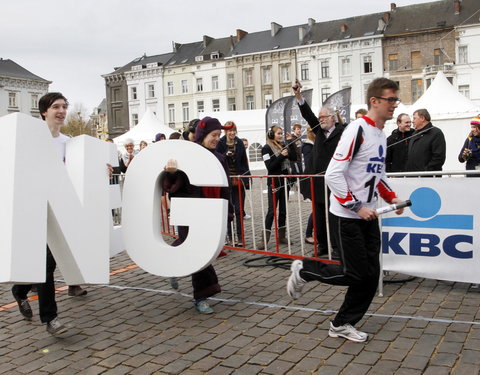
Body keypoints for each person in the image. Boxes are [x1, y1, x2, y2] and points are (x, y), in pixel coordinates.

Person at [287, 78, 405, 343]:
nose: (395, 105)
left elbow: (378, 174)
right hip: (347, 216)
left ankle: (342, 324)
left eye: (396, 99)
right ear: (375, 101)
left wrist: (391, 197)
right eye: (391, 99)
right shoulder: (356, 130)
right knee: (353, 273)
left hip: (369, 215)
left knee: (370, 275)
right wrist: (356, 205)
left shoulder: (381, 135)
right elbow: (334, 174)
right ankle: (305, 270)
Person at [11, 92, 103, 334]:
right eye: (56, 107)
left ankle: (20, 291)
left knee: (47, 263)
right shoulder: (30, 139)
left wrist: (98, 168)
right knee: (44, 265)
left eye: (64, 106)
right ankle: (50, 319)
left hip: (59, 211)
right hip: (33, 208)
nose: (61, 111)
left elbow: (77, 174)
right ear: (44, 111)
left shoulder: (68, 142)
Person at [162, 116, 232, 313]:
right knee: (197, 251)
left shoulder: (220, 158)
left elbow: (226, 187)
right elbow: (172, 183)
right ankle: (201, 297)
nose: (217, 138)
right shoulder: (187, 154)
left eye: (219, 135)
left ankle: (172, 265)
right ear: (202, 135)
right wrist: (172, 172)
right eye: (213, 135)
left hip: (210, 211)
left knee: (202, 251)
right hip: (189, 210)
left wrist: (229, 210)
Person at [294, 83, 346, 255]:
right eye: (320, 117)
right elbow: (307, 115)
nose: (321, 119)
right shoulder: (318, 130)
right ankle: (322, 246)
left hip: (334, 182)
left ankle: (337, 248)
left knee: (334, 217)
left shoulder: (343, 131)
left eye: (324, 117)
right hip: (317, 182)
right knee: (318, 217)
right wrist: (299, 96)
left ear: (332, 117)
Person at [258, 125, 297, 249]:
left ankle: (281, 237)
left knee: (283, 210)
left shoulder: (283, 146)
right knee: (271, 211)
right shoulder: (266, 148)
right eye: (278, 133)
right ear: (271, 135)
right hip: (274, 183)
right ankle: (264, 239)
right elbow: (270, 166)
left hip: (285, 182)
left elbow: (294, 158)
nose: (280, 136)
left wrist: (291, 143)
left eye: (281, 133)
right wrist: (281, 156)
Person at [216, 121, 251, 245]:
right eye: (229, 130)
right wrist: (226, 155)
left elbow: (244, 161)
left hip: (238, 180)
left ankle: (240, 237)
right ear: (225, 131)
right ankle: (230, 237)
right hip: (225, 180)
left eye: (233, 130)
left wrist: (247, 178)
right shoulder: (220, 142)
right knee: (228, 210)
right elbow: (217, 159)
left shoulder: (240, 142)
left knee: (239, 209)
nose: (232, 133)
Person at [404, 108, 446, 173]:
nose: (412, 121)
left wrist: (426, 172)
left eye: (414, 118)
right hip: (412, 177)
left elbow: (438, 158)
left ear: (422, 118)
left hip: (428, 178)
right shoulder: (414, 134)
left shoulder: (436, 133)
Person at [300, 126, 316, 244]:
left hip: (318, 180)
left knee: (321, 209)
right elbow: (310, 164)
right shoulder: (307, 146)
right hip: (310, 181)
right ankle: (308, 234)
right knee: (317, 209)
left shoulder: (316, 144)